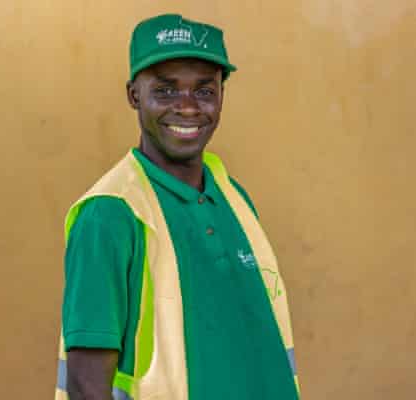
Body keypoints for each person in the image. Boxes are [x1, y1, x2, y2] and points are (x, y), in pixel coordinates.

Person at [55, 14, 300, 400]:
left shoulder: (231, 195)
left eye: (204, 91)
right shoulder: (110, 213)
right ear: (134, 95)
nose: (187, 108)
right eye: (166, 91)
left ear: (222, 95)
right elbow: (87, 386)